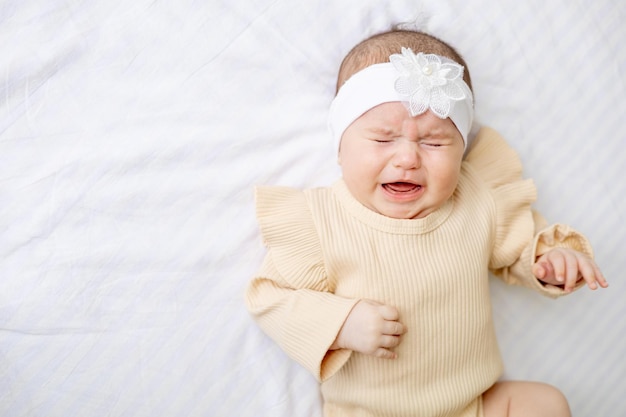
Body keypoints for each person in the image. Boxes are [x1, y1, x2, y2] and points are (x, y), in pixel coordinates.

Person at [245, 29, 608, 417]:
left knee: (545, 404)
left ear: (461, 150)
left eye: (434, 143)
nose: (407, 159)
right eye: (383, 139)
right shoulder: (320, 220)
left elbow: (520, 244)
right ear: (340, 146)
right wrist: (341, 324)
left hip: (472, 404)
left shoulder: (477, 198)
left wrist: (550, 260)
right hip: (371, 412)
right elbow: (270, 298)